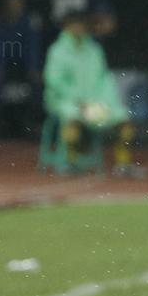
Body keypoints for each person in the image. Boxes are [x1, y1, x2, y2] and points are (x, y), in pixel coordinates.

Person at [42, 11, 140, 175]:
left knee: (124, 119)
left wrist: (106, 102)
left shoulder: (95, 50)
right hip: (65, 102)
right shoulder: (57, 51)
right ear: (66, 28)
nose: (79, 29)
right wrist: (78, 101)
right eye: (75, 25)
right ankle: (69, 162)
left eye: (82, 25)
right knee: (72, 118)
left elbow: (104, 80)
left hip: (95, 102)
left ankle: (123, 164)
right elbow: (54, 81)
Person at [0, 0, 44, 137]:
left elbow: (33, 47)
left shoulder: (30, 22)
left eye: (16, 3)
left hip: (24, 67)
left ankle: (33, 121)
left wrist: (33, 68)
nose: (13, 6)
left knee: (37, 83)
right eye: (10, 3)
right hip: (5, 67)